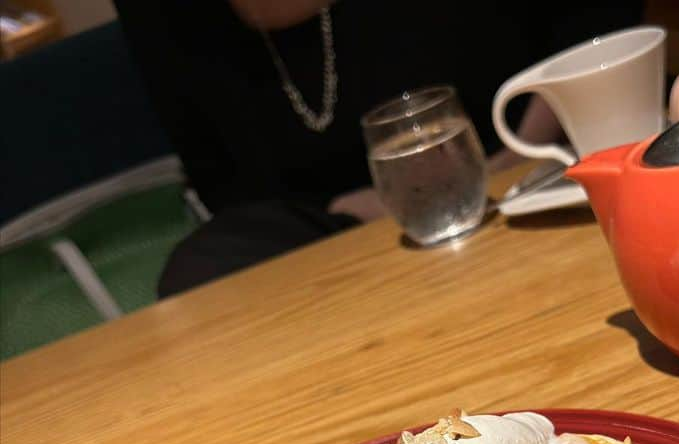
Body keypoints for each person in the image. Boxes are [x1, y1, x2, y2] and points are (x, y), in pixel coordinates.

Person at [113, 1, 643, 295]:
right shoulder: (165, 18)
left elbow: (593, 23)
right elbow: (223, 180)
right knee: (200, 273)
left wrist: (516, 154)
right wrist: (358, 211)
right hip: (329, 235)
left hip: (537, 157)